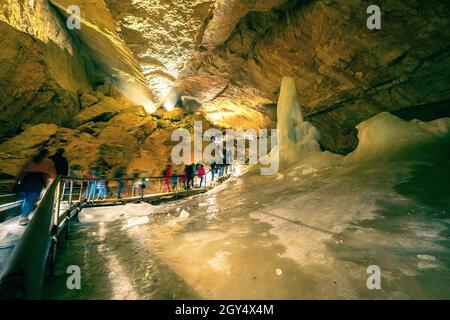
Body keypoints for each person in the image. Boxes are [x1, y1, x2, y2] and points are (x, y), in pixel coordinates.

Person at [13, 149, 57, 226]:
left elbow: (21, 171)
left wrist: (16, 183)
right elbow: (52, 173)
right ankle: (23, 218)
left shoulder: (31, 160)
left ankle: (24, 217)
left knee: (27, 199)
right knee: (30, 200)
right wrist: (54, 179)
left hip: (26, 180)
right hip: (37, 181)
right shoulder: (48, 161)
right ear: (46, 154)